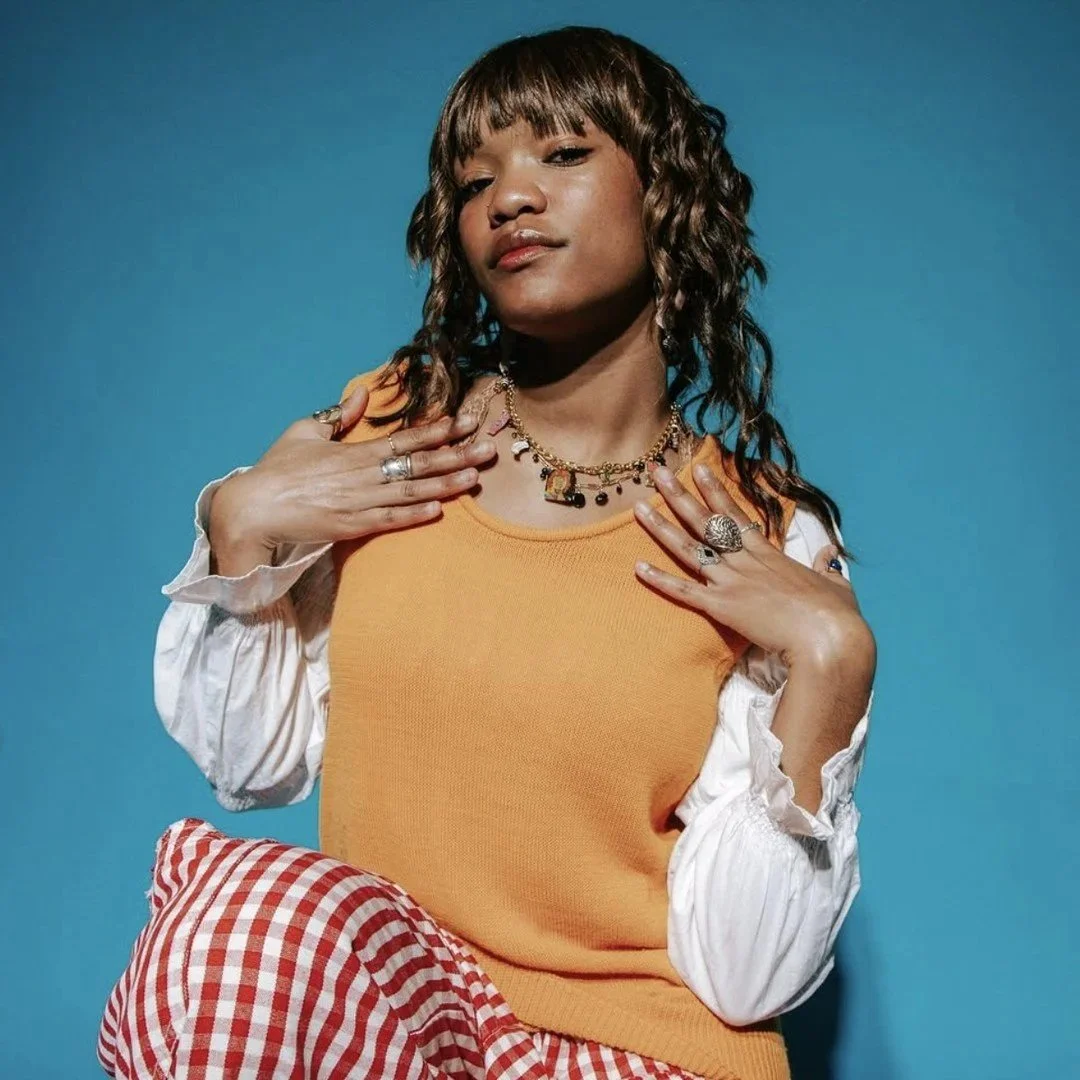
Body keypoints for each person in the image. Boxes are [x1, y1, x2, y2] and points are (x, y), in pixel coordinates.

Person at [98, 24, 876, 1080]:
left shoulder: (762, 531)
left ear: (667, 194)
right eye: (474, 182)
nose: (508, 198)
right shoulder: (393, 438)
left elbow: (745, 980)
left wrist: (831, 659)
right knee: (243, 925)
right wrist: (243, 528)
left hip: (635, 1053)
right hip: (400, 1019)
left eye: (561, 155)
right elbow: (252, 767)